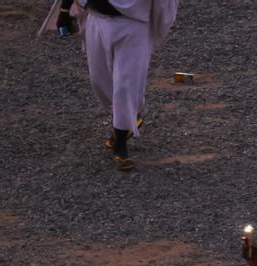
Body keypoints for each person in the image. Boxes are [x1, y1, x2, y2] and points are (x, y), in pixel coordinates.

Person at [58, 0, 178, 172]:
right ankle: (130, 116)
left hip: (133, 24)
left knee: (125, 84)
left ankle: (120, 145)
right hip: (97, 19)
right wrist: (63, 11)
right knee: (98, 80)